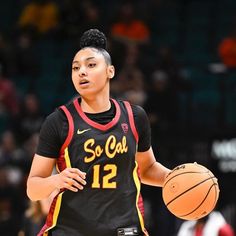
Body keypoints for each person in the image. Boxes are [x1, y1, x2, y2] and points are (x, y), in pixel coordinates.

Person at [26, 28, 171, 236]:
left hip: (124, 230)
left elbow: (146, 170)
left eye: (91, 65)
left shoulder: (135, 117)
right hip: (70, 230)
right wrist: (56, 180)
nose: (82, 72)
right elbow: (33, 188)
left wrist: (176, 177)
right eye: (76, 68)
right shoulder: (59, 121)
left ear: (110, 71)